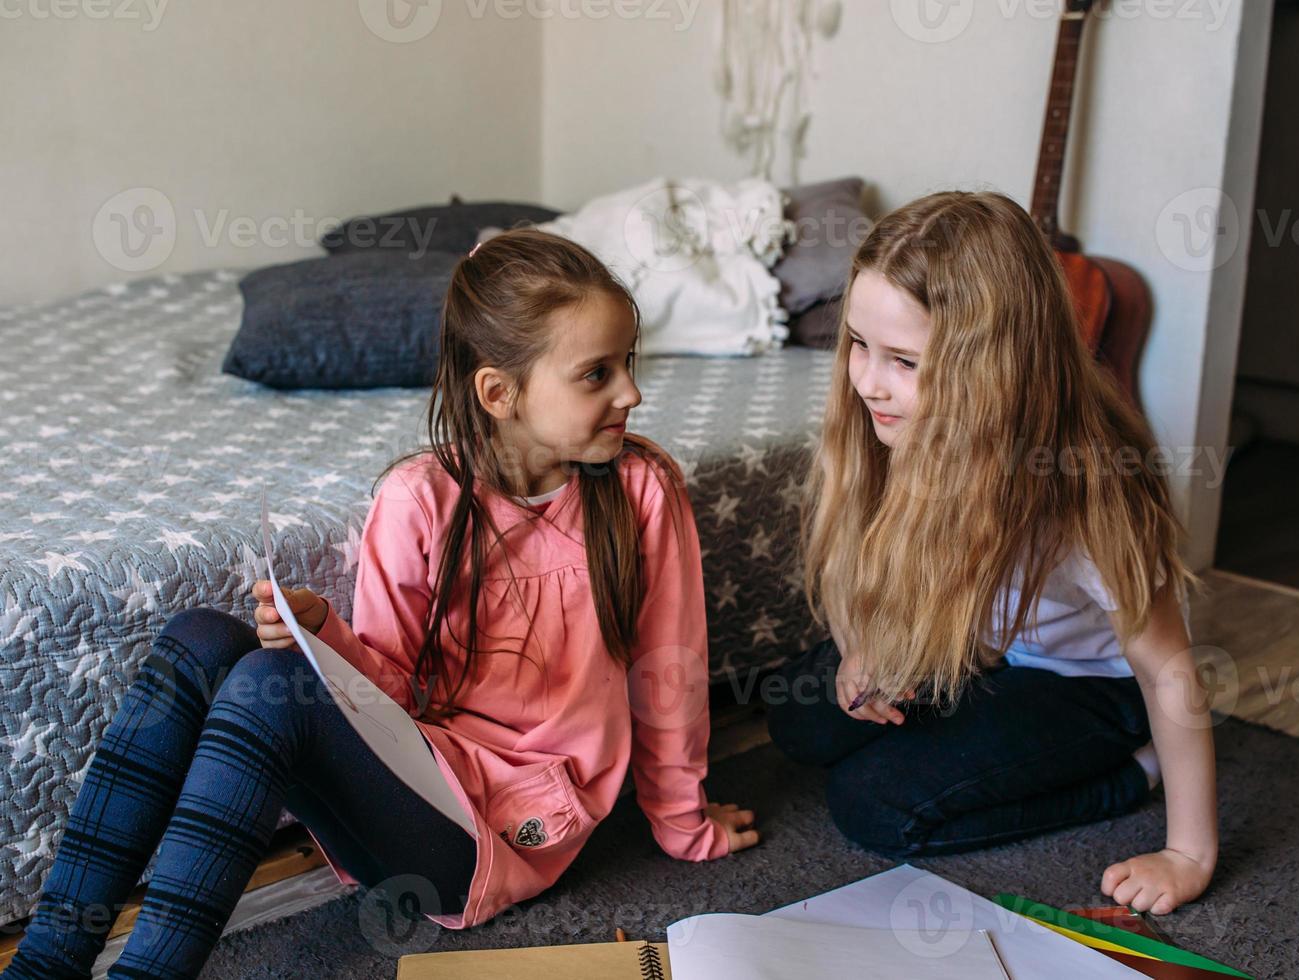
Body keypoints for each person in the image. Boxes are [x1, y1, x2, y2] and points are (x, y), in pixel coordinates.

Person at [5, 228, 757, 980]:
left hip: (510, 831)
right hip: (416, 781)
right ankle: (47, 960)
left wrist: (682, 820)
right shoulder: (419, 497)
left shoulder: (641, 489)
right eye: (597, 374)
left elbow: (671, 667)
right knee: (201, 638)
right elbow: (390, 691)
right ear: (498, 392)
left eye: (627, 363)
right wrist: (320, 632)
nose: (632, 391)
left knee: (270, 691)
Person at [766, 190, 1216, 915]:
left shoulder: (1080, 488)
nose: (868, 383)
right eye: (858, 344)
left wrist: (1187, 853)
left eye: (904, 361)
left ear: (993, 370)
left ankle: (1131, 773)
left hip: (1092, 685)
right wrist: (858, 650)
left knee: (871, 806)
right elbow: (857, 560)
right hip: (981, 646)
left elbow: (1168, 667)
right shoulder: (888, 426)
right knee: (798, 717)